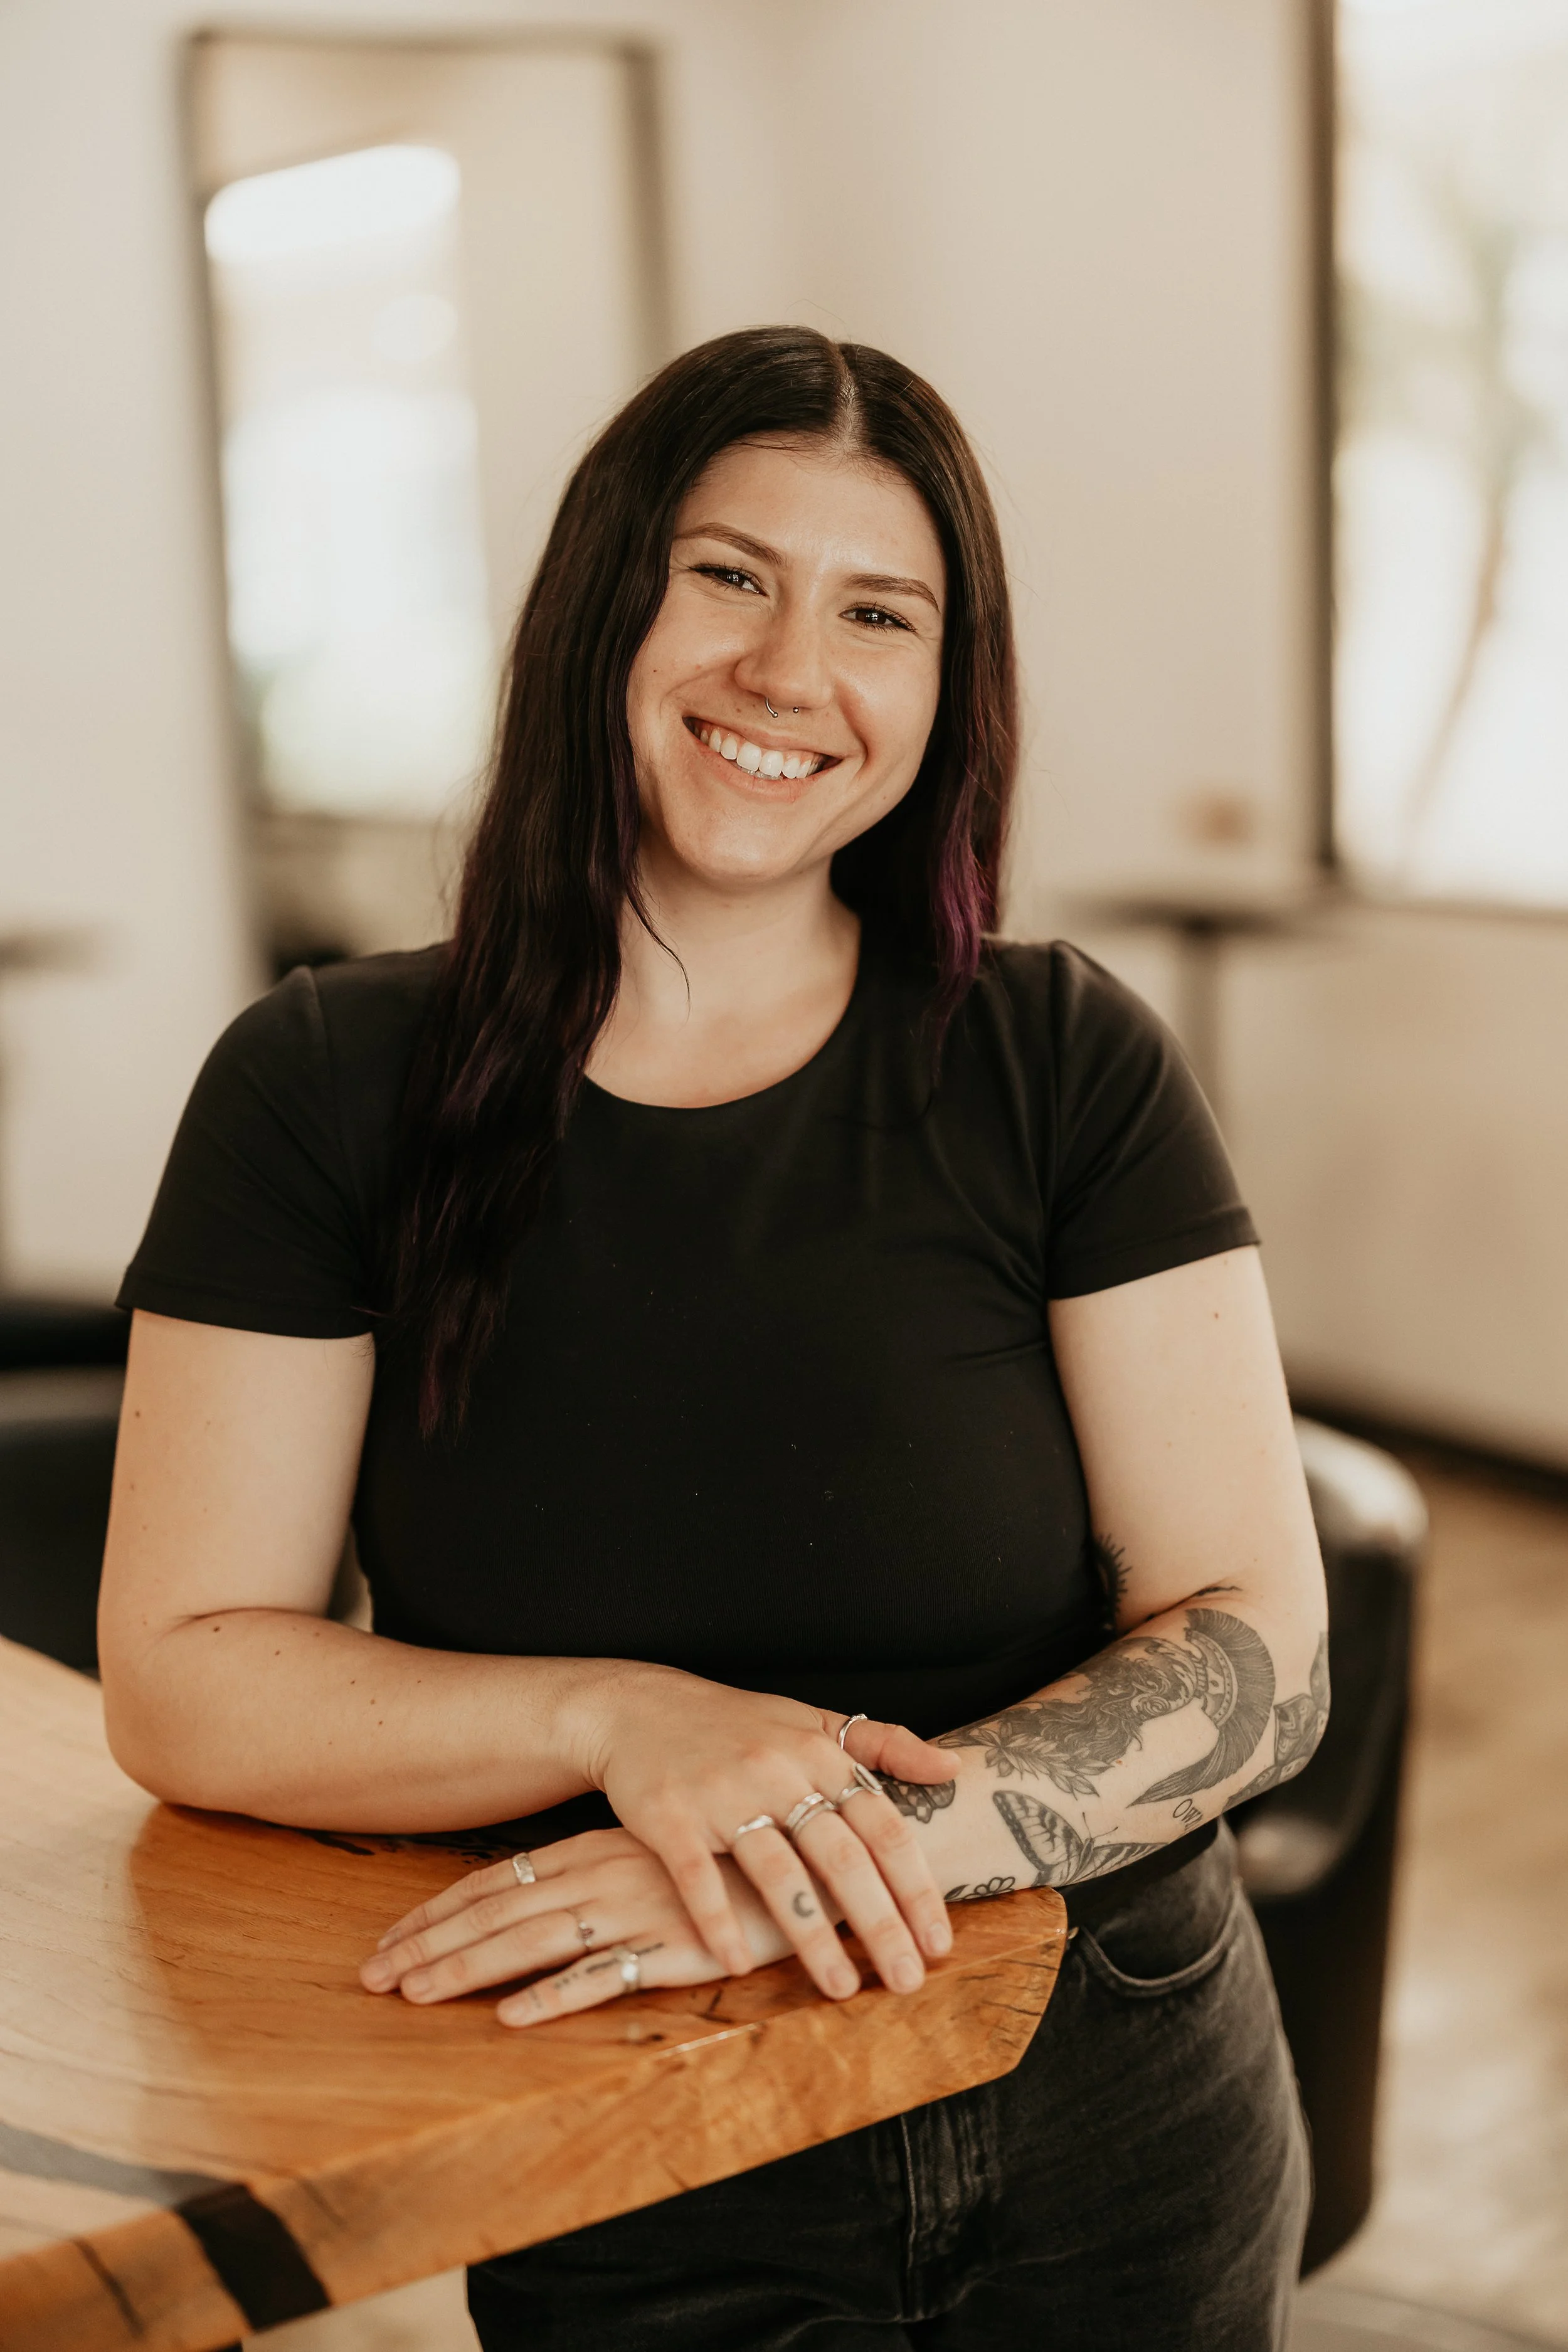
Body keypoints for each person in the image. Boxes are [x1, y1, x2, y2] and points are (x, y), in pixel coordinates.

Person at [100, 327, 1325, 2349]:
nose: (788, 672)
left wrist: (774, 1857)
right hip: (626, 2114)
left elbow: (1259, 1649)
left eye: (877, 613)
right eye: (727, 575)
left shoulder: (1059, 1056)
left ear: (943, 691)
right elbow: (186, 1678)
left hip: (1110, 2067)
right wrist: (621, 1722)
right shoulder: (323, 1079)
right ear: (603, 606)